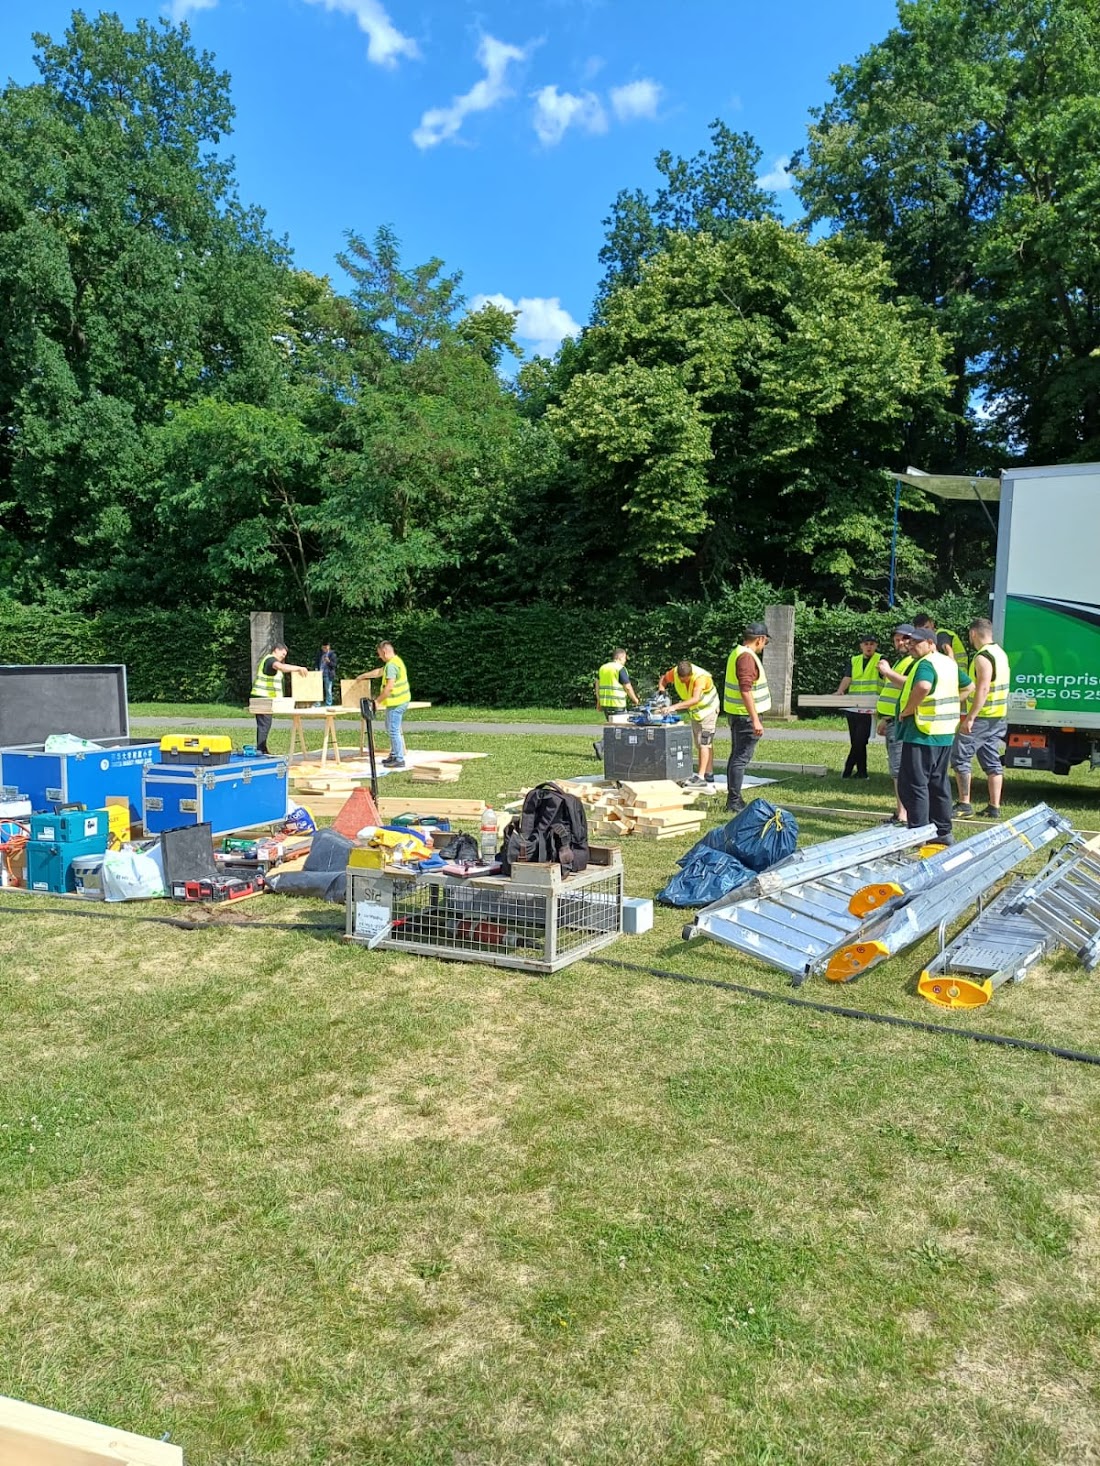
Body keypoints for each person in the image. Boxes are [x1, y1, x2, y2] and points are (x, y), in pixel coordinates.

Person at [895, 624, 972, 844]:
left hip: (922, 732)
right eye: (910, 642)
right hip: (943, 733)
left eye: (916, 642)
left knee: (914, 784)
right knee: (938, 784)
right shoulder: (948, 663)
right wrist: (950, 703)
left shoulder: (926, 663)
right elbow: (969, 687)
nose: (911, 645)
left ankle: (918, 833)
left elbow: (923, 687)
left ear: (931, 643)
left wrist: (908, 709)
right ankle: (942, 831)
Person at [952, 616, 1010, 820]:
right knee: (991, 759)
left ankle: (964, 804)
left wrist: (970, 717)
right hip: (998, 716)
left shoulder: (982, 657)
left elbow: (983, 689)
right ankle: (994, 807)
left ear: (973, 633)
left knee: (960, 756)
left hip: (982, 717)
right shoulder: (1000, 653)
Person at [722, 622, 771, 813]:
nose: (764, 646)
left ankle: (734, 799)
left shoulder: (737, 652)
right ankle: (734, 801)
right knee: (740, 758)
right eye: (765, 642)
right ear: (760, 639)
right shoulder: (746, 658)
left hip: (738, 714)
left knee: (736, 756)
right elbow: (745, 690)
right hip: (745, 717)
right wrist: (755, 719)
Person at [658, 659, 721, 789]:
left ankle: (701, 777)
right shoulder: (675, 672)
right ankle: (709, 774)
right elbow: (664, 679)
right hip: (696, 713)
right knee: (700, 744)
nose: (682, 682)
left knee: (704, 742)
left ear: (690, 675)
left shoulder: (700, 678)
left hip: (709, 710)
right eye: (680, 680)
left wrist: (673, 707)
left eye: (685, 680)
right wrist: (662, 692)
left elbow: (695, 699)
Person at [875, 627, 916, 825]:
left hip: (901, 722)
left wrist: (887, 672)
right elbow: (894, 693)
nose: (900, 643)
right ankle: (902, 813)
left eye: (904, 639)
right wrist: (885, 718)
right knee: (897, 768)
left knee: (899, 769)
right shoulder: (902, 661)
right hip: (893, 720)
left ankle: (903, 815)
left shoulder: (913, 662)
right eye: (897, 639)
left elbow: (909, 685)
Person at [835, 632, 880, 779]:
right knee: (856, 741)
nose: (869, 647)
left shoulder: (880, 660)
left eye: (872, 644)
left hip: (869, 708)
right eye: (866, 644)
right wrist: (840, 691)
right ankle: (862, 772)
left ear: (876, 646)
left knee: (860, 740)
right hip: (853, 706)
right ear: (861, 646)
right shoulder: (854, 660)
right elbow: (847, 678)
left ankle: (847, 770)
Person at [250, 642, 308, 756]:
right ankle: (261, 750)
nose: (283, 657)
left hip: (266, 698)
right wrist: (298, 668)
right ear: (276, 650)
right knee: (264, 725)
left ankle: (262, 749)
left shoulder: (271, 661)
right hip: (262, 698)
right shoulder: (270, 660)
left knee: (265, 725)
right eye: (282, 654)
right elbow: (280, 667)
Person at [361, 640, 412, 770]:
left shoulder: (391, 666)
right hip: (399, 701)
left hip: (397, 702)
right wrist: (363, 676)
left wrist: (377, 702)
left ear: (384, 652)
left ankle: (399, 759)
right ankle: (394, 754)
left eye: (379, 654)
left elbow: (389, 687)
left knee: (393, 730)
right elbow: (379, 672)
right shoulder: (395, 661)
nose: (379, 656)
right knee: (390, 727)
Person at [595, 650, 640, 719]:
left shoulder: (603, 668)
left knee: (610, 724)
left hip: (605, 705)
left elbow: (597, 685)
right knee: (620, 725)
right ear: (620, 658)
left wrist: (599, 701)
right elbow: (627, 687)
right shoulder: (620, 668)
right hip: (618, 704)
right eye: (625, 658)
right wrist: (635, 700)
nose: (625, 661)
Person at [317, 642, 338, 708]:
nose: (324, 649)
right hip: (319, 674)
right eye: (323, 648)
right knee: (317, 689)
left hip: (328, 674)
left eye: (326, 647)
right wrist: (316, 669)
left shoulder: (332, 655)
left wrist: (328, 661)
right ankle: (317, 704)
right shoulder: (320, 654)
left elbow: (334, 665)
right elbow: (317, 663)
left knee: (328, 690)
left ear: (329, 647)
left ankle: (328, 704)